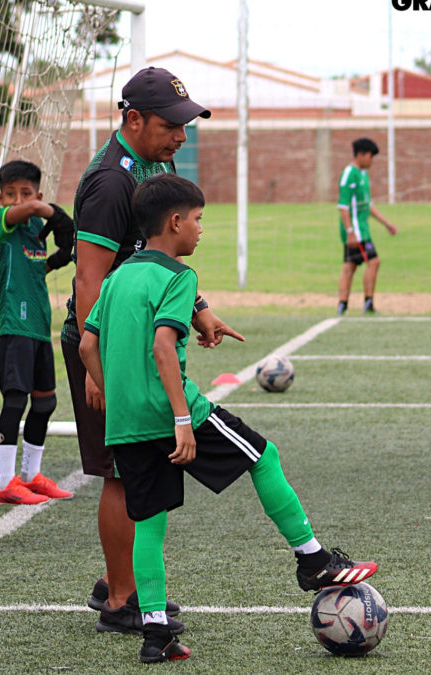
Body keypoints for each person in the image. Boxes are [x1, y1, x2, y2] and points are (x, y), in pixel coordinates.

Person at [79, 174, 378, 663]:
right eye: (198, 220)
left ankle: (156, 634)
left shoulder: (116, 278)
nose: (201, 230)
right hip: (173, 413)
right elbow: (161, 346)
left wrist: (114, 397)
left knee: (148, 522)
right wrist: (181, 418)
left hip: (127, 422)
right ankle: (312, 560)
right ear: (174, 222)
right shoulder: (179, 277)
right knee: (263, 455)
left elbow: (88, 345)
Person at [61, 66, 242, 634]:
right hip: (107, 347)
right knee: (122, 471)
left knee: (134, 467)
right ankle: (121, 601)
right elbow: (89, 279)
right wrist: (97, 370)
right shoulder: (111, 182)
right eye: (172, 126)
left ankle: (121, 578)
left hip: (134, 340)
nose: (181, 138)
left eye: (186, 126)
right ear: (133, 120)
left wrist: (197, 306)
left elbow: (154, 257)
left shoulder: (153, 166)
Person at [0, 160, 75, 505]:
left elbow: (38, 266)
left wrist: (65, 252)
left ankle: (30, 475)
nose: (18, 200)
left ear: (37, 192)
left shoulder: (34, 234)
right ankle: (3, 480)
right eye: (10, 195)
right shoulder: (1, 225)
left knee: (46, 403)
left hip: (40, 328)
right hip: (13, 325)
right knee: (15, 399)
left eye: (25, 194)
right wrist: (53, 211)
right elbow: (25, 212)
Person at [336, 138, 398, 316]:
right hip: (355, 231)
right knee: (373, 262)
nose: (372, 161)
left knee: (350, 267)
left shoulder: (363, 174)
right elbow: (343, 206)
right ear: (361, 155)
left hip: (362, 229)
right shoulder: (349, 174)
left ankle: (343, 306)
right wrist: (350, 232)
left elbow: (368, 204)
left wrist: (387, 224)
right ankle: (368, 303)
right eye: (371, 156)